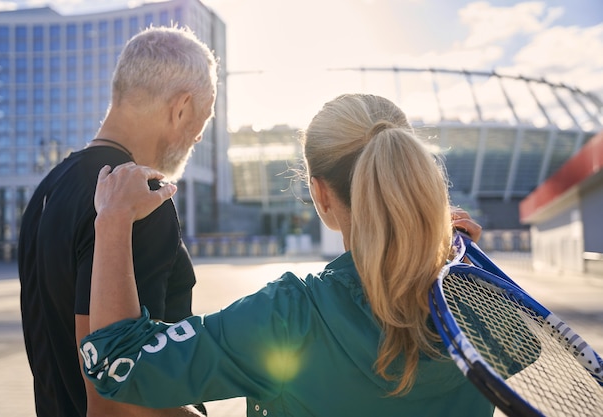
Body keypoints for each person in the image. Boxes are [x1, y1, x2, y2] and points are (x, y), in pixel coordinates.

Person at [80, 94, 493, 416]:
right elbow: (524, 350)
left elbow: (118, 364)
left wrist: (113, 218)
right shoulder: (478, 307)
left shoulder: (289, 316)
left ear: (320, 193)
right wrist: (466, 268)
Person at [17, 25, 217, 417]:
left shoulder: (48, 189)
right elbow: (119, 402)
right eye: (202, 121)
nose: (197, 139)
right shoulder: (138, 200)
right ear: (180, 108)